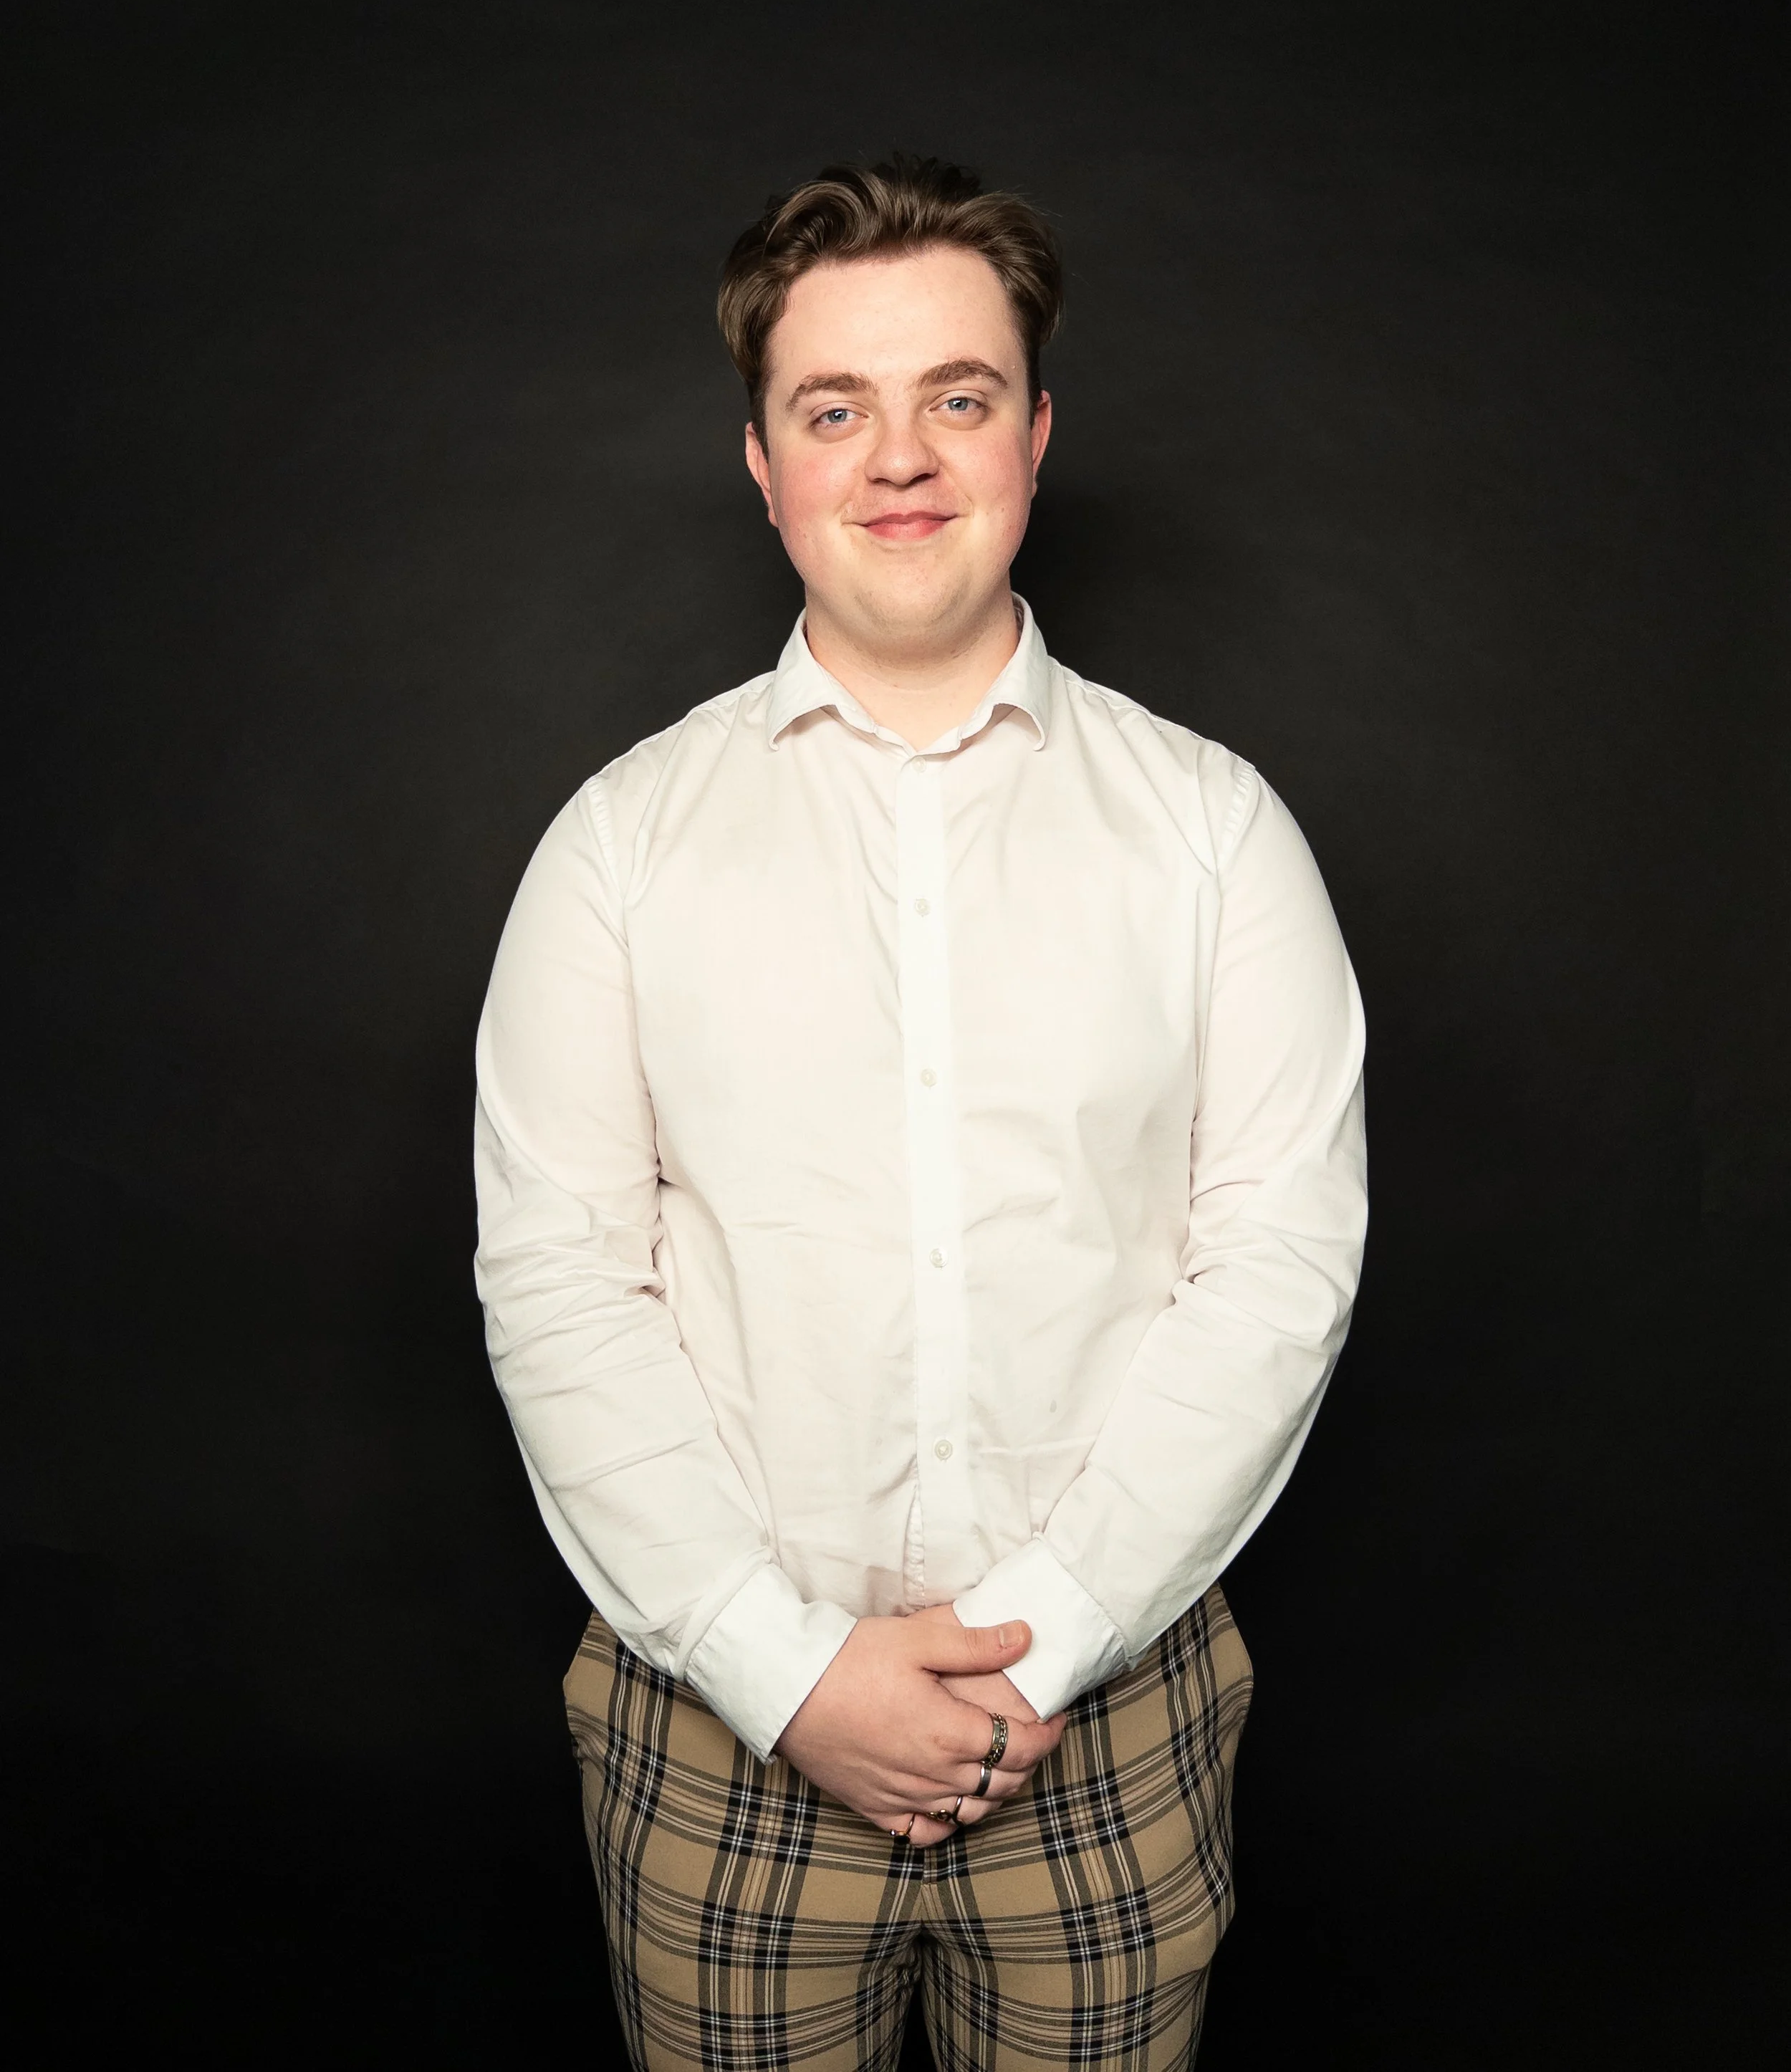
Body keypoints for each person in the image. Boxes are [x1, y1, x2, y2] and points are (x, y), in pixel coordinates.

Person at [473, 154, 1368, 2070]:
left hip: (1106, 1726)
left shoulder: (1214, 833)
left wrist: (1046, 1630)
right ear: (762, 463)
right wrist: (783, 1668)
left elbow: (1275, 1262)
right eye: (834, 407)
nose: (898, 456)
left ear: (1031, 438)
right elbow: (557, 1276)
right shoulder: (620, 846)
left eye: (954, 396)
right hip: (716, 1724)